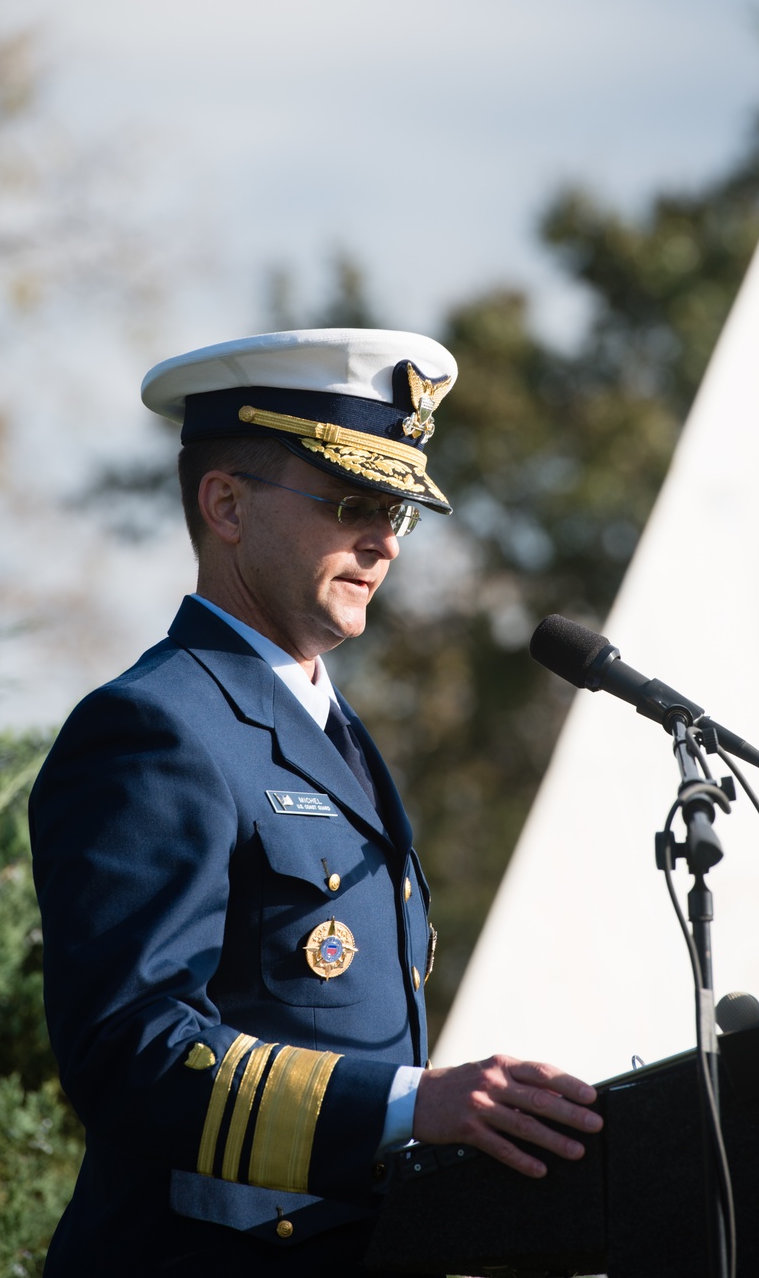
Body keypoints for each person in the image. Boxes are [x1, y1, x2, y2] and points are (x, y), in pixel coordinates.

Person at [30, 328, 602, 1276]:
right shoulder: (154, 727)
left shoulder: (331, 733)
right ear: (226, 505)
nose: (383, 541)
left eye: (401, 514)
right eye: (352, 502)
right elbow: (126, 1051)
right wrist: (412, 1103)